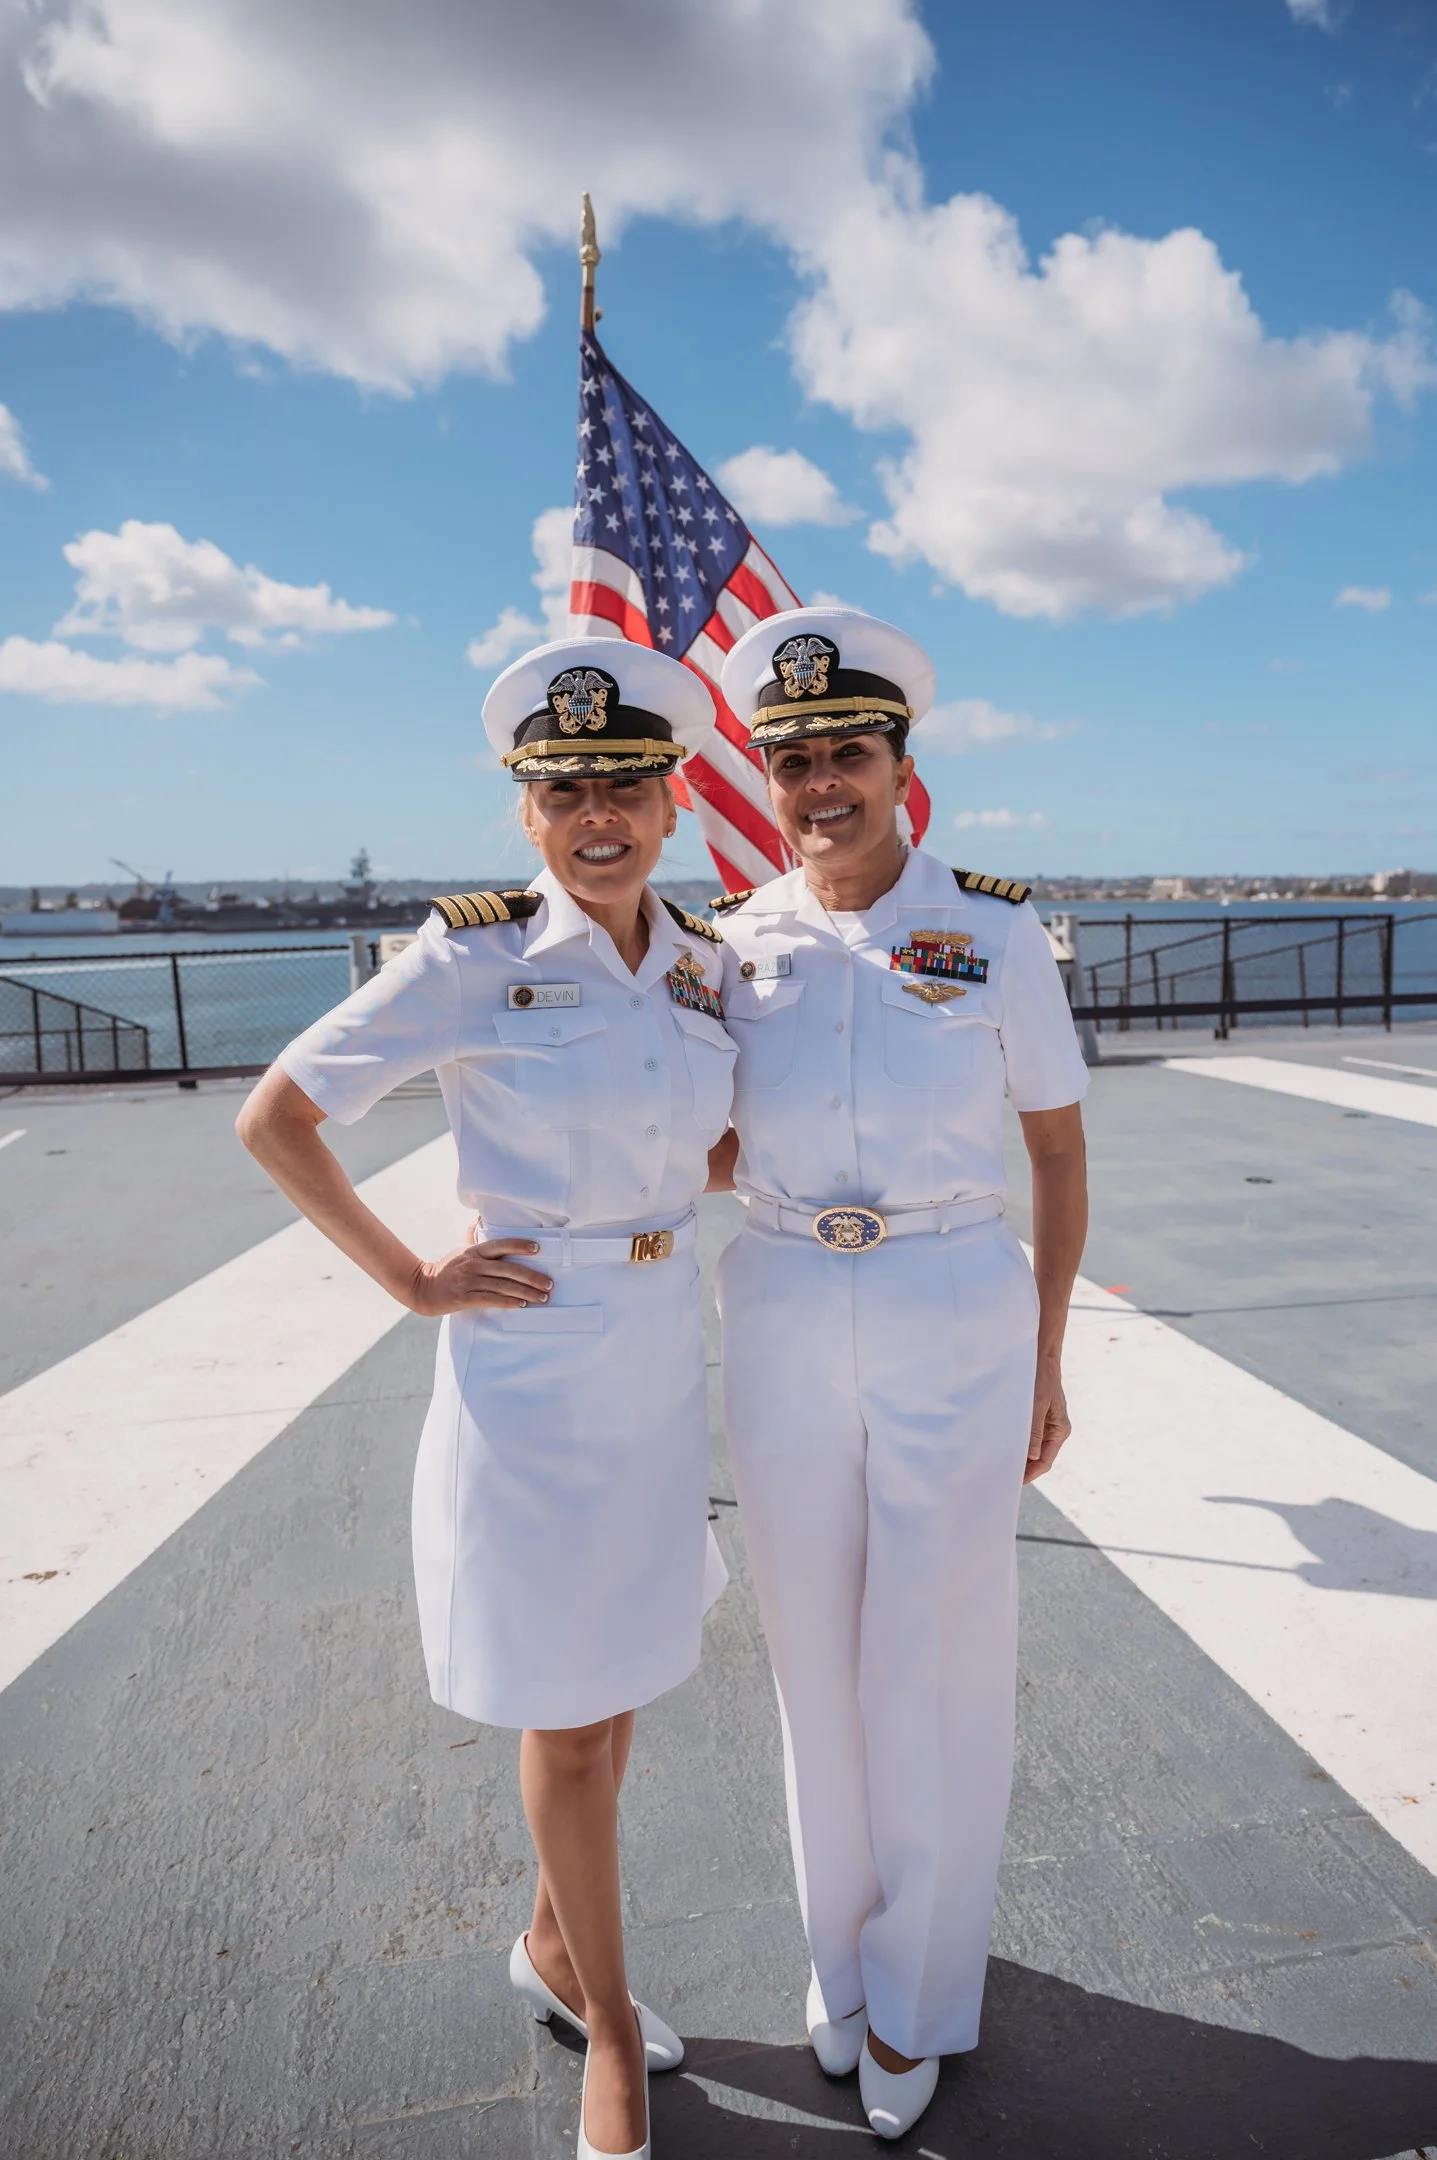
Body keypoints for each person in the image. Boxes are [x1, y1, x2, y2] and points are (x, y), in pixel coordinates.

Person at [237, 638, 737, 2160]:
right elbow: (279, 1117)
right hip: (528, 1365)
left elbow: (708, 1146)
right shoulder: (471, 956)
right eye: (565, 788)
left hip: (660, 1347)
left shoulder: (705, 966)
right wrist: (409, 1277)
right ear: (528, 813)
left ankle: (551, 1946)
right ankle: (614, 2037)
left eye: (626, 785)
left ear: (671, 803)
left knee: (622, 1669)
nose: (600, 813)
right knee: (567, 1713)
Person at [708, 606, 1089, 2142]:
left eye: (845, 754)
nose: (820, 785)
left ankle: (922, 1994)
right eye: (793, 761)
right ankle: (840, 1960)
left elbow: (1058, 1157)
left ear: (901, 765)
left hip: (953, 1303)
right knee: (812, 1655)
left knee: (933, 1657)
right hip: (787, 1296)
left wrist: (1051, 1357)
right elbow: (695, 1129)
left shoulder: (991, 932)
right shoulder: (730, 945)